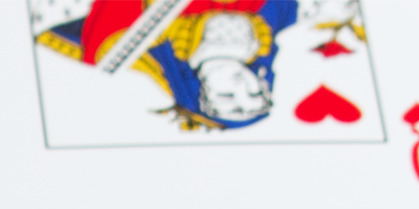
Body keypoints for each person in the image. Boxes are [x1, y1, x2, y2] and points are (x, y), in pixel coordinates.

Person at [31, 0, 300, 132]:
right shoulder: (275, 20)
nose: (240, 87)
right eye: (254, 94)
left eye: (228, 96)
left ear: (200, 93)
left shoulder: (121, 47)